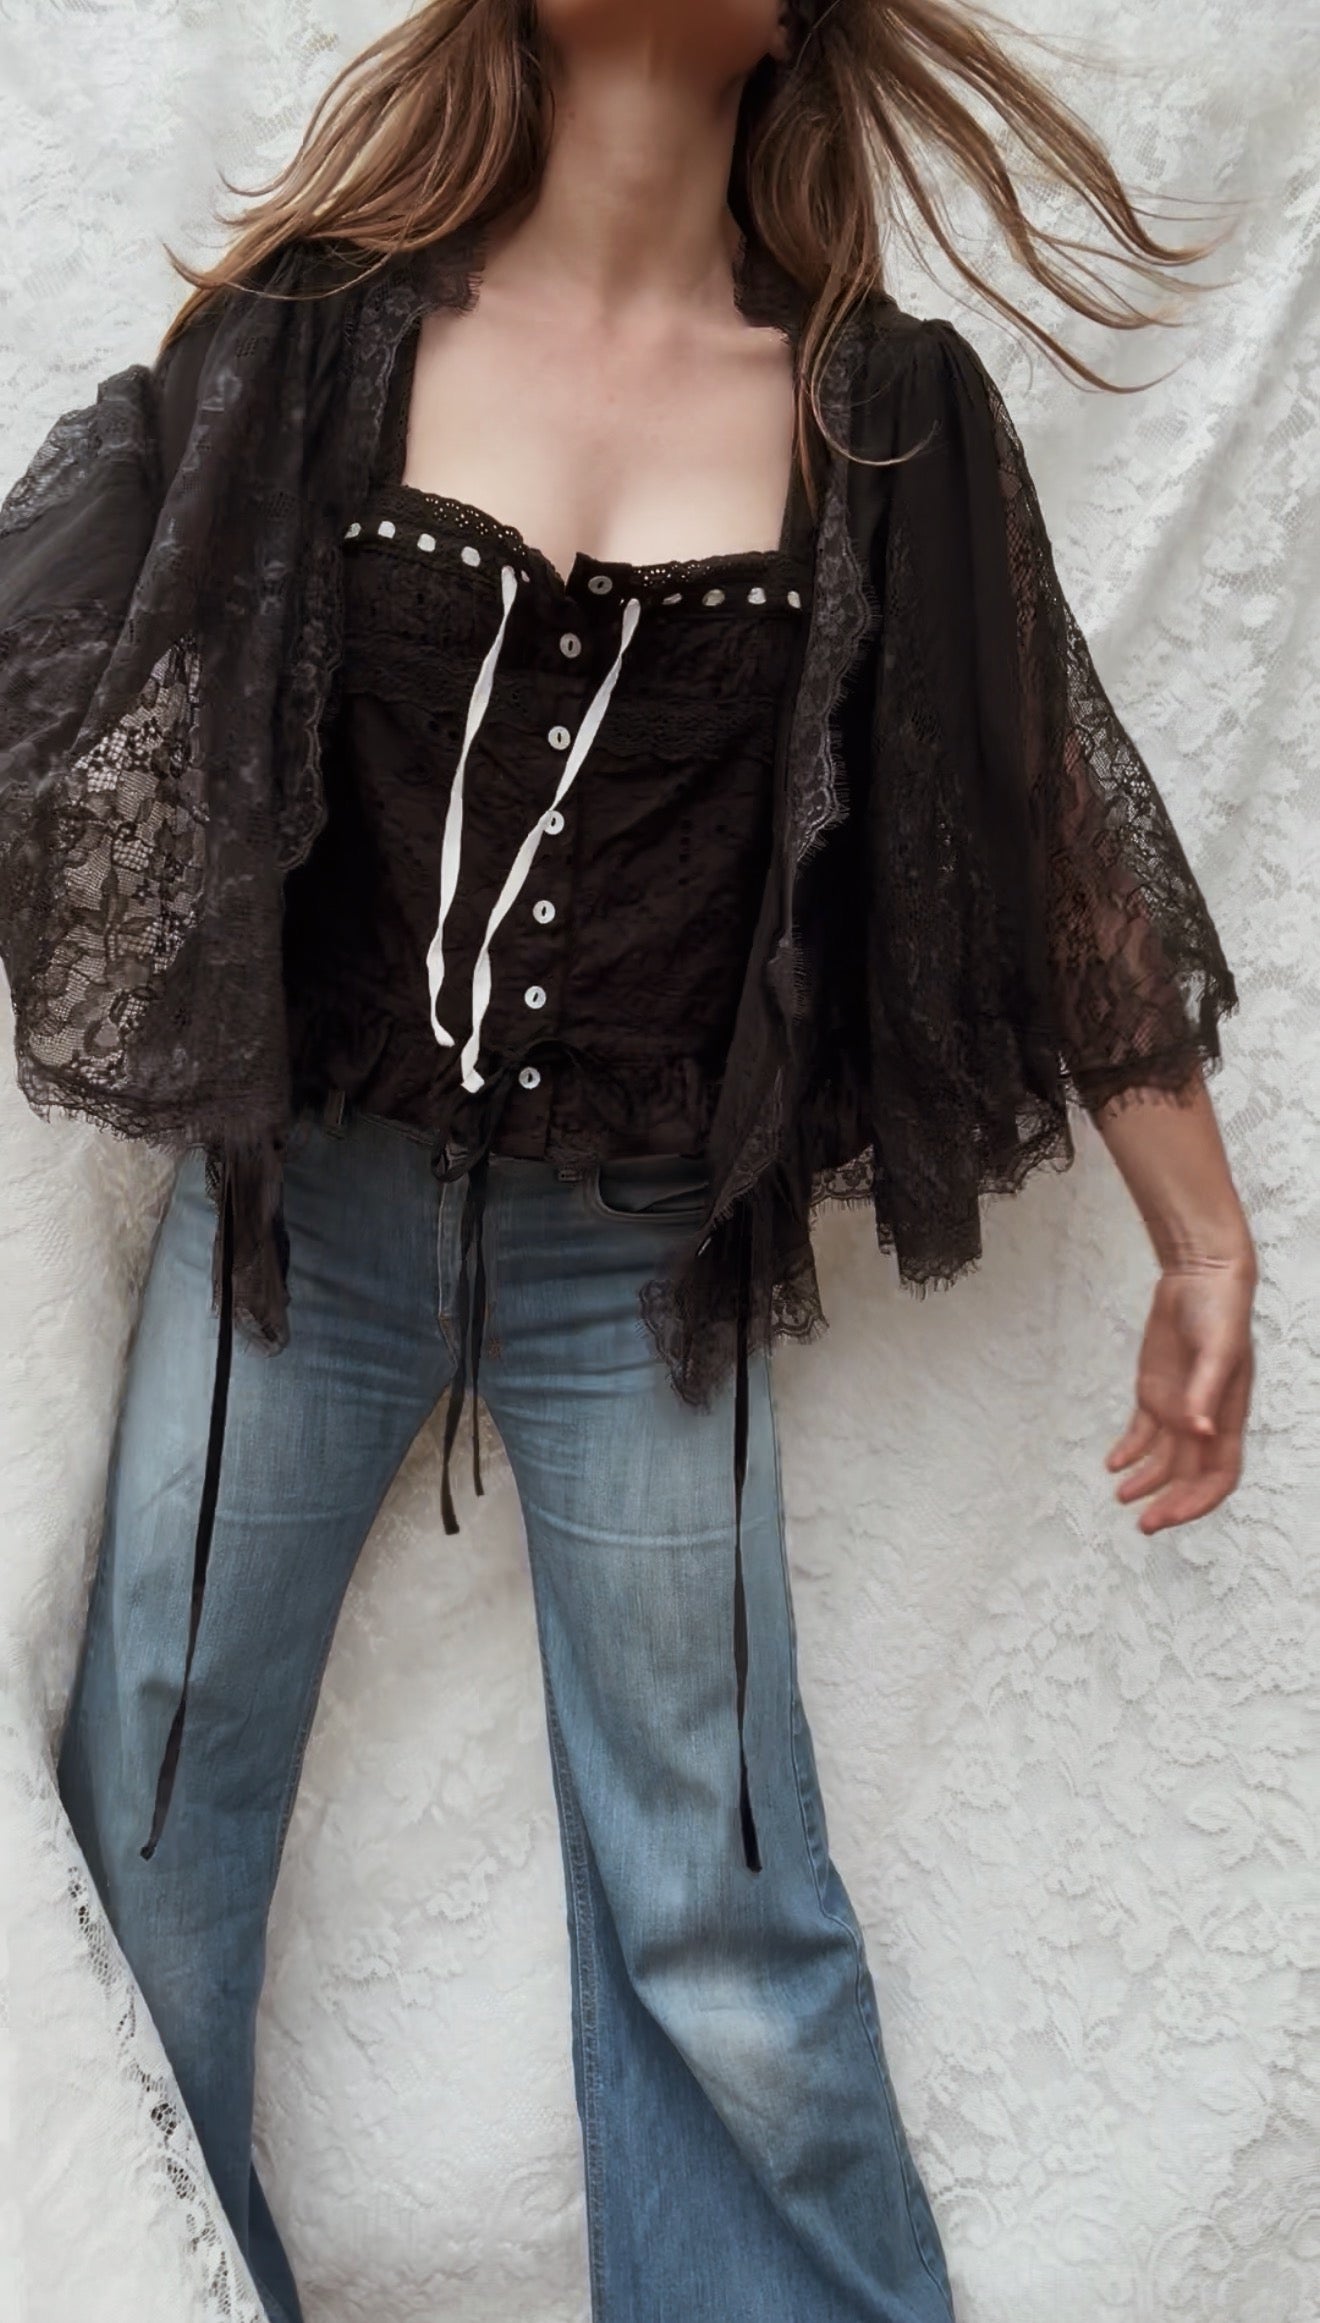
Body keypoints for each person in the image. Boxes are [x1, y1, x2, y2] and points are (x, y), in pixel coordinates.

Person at [0, 2, 1256, 2318]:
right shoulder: (317, 339)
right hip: (306, 1222)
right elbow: (59, 633)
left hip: (644, 1261)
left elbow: (1042, 812)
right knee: (149, 1804)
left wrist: (1207, 1233)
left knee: (721, 1888)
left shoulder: (886, 418)